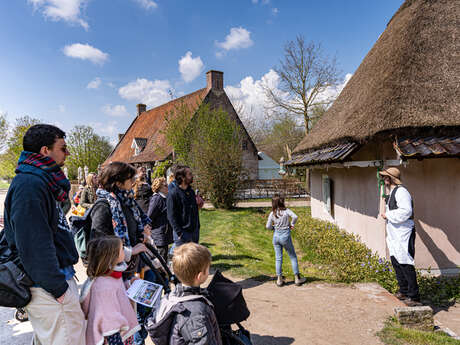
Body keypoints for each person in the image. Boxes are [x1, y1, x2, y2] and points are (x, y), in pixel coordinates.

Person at [3, 124, 85, 345]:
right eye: (63, 148)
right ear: (45, 151)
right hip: (48, 289)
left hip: (51, 286)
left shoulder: (41, 181)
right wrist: (59, 289)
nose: (67, 153)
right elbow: (33, 246)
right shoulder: (30, 185)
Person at [90, 161, 157, 345]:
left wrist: (143, 234)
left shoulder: (126, 202)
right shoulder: (104, 206)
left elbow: (132, 233)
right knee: (120, 327)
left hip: (130, 273)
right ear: (118, 182)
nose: (134, 181)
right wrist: (130, 251)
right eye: (130, 178)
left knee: (135, 320)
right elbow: (99, 246)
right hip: (113, 278)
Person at [152, 243, 222, 345]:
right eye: (207, 269)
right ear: (200, 276)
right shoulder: (196, 313)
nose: (209, 271)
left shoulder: (172, 296)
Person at [80, 236, 140, 345]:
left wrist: (130, 284)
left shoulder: (111, 276)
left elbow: (118, 293)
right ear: (112, 256)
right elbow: (106, 317)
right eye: (122, 248)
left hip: (120, 332)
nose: (124, 250)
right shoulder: (103, 285)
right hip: (113, 336)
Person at [379, 167, 421, 306]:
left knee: (405, 262)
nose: (384, 179)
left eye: (385, 177)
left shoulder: (402, 192)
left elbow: (406, 211)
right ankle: (403, 290)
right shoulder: (392, 192)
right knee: (396, 261)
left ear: (390, 179)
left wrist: (388, 215)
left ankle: (414, 296)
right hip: (395, 233)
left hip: (404, 232)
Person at [266, 195, 306, 287]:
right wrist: (292, 224)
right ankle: (297, 278)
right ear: (282, 202)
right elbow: (295, 216)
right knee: (292, 256)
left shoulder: (272, 213)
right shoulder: (286, 211)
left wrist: (273, 228)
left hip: (276, 237)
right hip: (285, 236)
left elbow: (267, 226)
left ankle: (279, 280)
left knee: (278, 258)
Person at [167, 165, 200, 246]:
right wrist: (179, 233)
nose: (192, 176)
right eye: (189, 174)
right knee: (183, 258)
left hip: (194, 233)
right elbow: (171, 216)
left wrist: (197, 226)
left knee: (194, 258)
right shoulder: (173, 193)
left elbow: (194, 211)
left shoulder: (191, 192)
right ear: (182, 177)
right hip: (182, 235)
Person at [148, 177, 173, 262]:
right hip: (159, 234)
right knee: (161, 259)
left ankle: (164, 275)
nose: (167, 187)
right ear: (159, 188)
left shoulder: (164, 198)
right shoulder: (157, 199)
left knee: (164, 256)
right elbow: (149, 216)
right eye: (165, 185)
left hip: (164, 233)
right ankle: (162, 275)